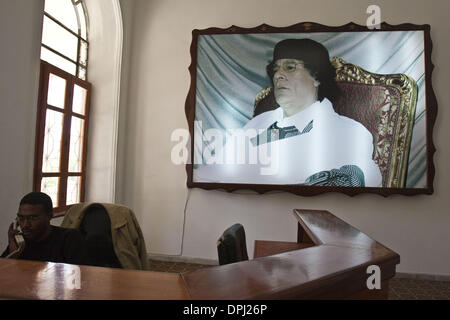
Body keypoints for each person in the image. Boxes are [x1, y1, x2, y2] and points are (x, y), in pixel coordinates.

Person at [194, 38, 382, 187]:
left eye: (290, 67)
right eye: (276, 69)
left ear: (316, 77)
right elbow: (210, 173)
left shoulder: (348, 131)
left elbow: (363, 182)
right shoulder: (259, 123)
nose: (278, 75)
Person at [1, 192, 86, 265]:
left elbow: (80, 276)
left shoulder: (69, 238)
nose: (25, 225)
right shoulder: (20, 242)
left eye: (33, 218)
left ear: (49, 216)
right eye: (21, 218)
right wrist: (13, 253)